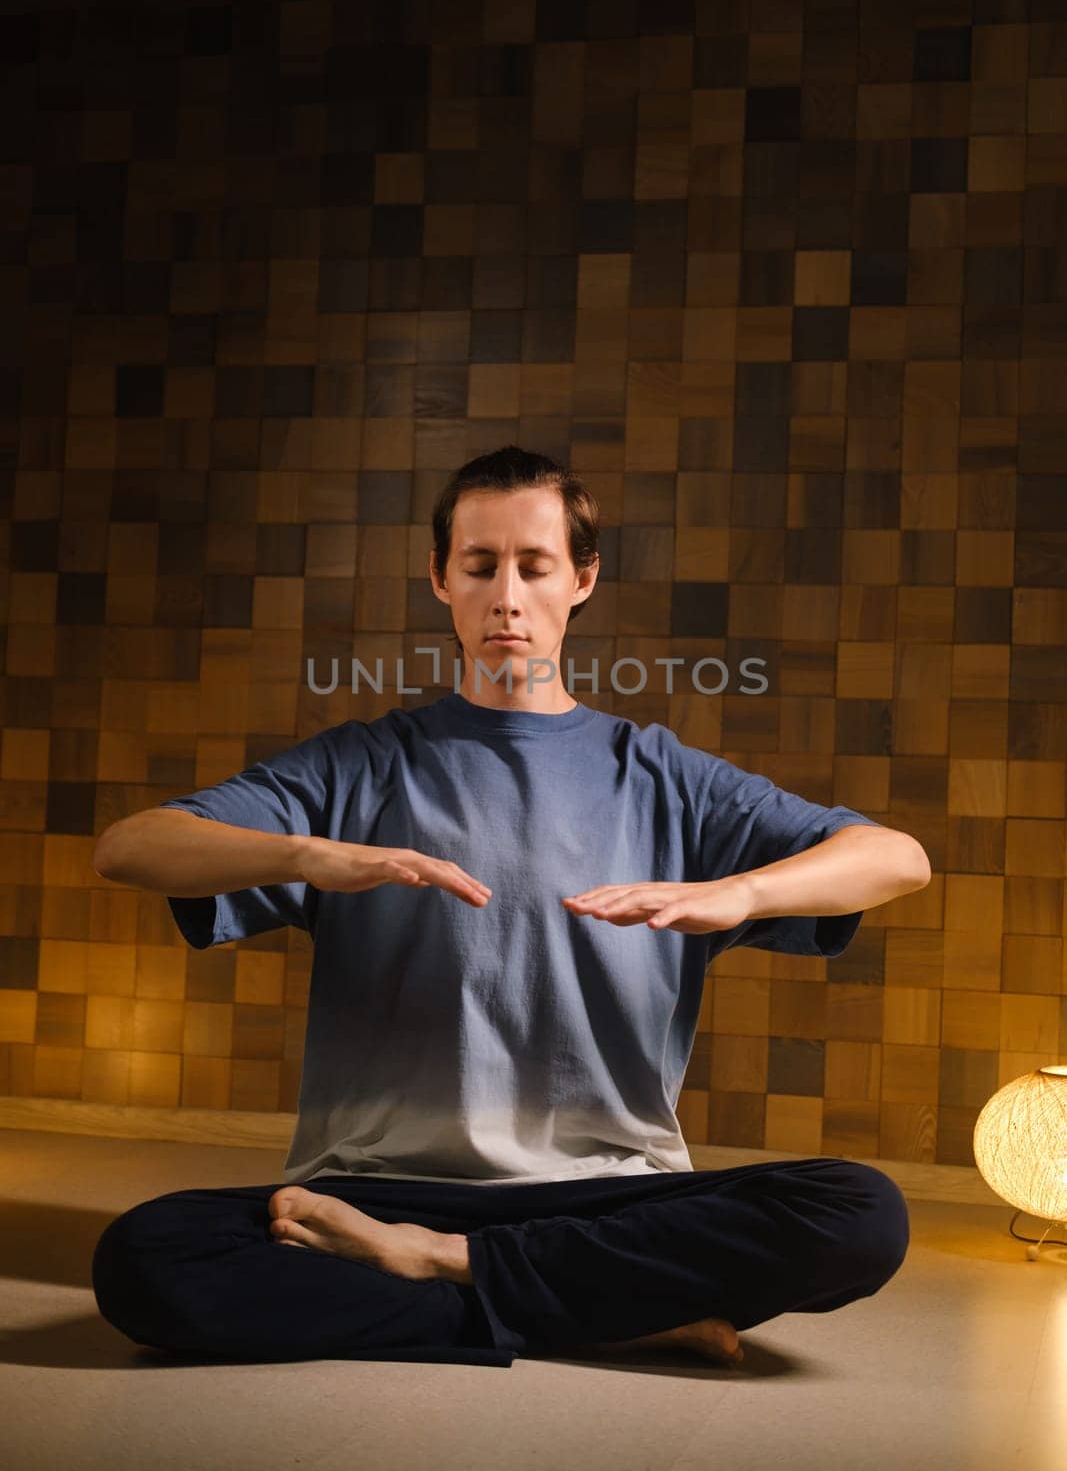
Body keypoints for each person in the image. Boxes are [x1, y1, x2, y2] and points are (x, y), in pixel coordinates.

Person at [90, 444, 928, 1370]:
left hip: (608, 1193)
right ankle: (603, 1308)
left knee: (859, 1213)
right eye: (479, 566)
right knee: (144, 1260)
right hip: (376, 1187)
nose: (506, 595)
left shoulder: (664, 777)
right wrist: (308, 853)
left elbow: (896, 857)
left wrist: (738, 892)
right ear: (440, 578)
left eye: (534, 566)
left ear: (582, 580)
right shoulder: (356, 766)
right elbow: (130, 847)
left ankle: (445, 1271)